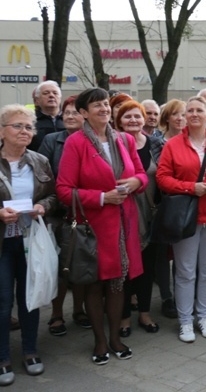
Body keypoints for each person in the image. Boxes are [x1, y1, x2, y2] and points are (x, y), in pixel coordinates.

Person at [56, 87, 148, 365]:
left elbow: (141, 175)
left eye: (106, 104)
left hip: (124, 225)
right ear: (83, 113)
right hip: (94, 227)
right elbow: (63, 190)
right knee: (96, 285)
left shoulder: (124, 140)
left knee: (118, 284)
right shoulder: (76, 143)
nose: (104, 109)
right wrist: (100, 197)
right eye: (96, 105)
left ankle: (116, 338)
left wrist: (136, 183)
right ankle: (99, 340)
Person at [156, 96, 206, 343]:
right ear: (183, 116)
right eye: (188, 110)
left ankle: (204, 316)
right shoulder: (172, 145)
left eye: (198, 110)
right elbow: (162, 178)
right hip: (186, 218)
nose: (193, 114)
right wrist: (192, 187)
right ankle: (185, 320)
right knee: (185, 271)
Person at [0, 105, 57, 386]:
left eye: (28, 127)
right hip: (3, 242)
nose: (25, 131)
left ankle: (31, 350)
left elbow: (54, 196)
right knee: (1, 302)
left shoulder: (40, 161)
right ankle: (2, 357)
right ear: (1, 131)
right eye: (17, 126)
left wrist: (41, 206)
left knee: (30, 298)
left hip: (30, 241)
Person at [38, 96, 90, 337]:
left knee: (80, 265)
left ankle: (79, 310)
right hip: (58, 213)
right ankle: (57, 313)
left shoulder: (92, 142)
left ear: (85, 115)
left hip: (85, 213)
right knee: (60, 266)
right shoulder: (52, 140)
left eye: (74, 113)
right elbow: (46, 178)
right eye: (65, 113)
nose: (68, 116)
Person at [115, 100, 165, 337]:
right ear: (118, 121)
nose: (133, 121)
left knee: (147, 267)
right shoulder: (114, 144)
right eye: (127, 117)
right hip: (121, 215)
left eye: (137, 116)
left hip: (151, 214)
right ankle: (123, 317)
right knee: (124, 268)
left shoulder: (156, 143)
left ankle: (144, 312)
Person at [151, 99, 186, 319]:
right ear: (167, 118)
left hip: (186, 205)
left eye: (183, 114)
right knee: (162, 254)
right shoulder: (155, 142)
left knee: (183, 253)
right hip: (162, 205)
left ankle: (182, 295)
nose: (180, 118)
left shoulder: (193, 142)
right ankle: (166, 297)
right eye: (175, 114)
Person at [28, 80, 65, 151]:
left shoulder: (69, 120)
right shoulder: (30, 121)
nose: (51, 95)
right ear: (36, 101)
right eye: (46, 93)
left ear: (60, 99)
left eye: (55, 93)